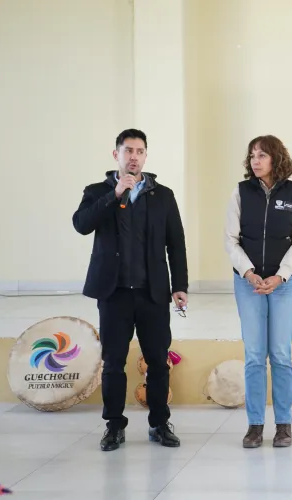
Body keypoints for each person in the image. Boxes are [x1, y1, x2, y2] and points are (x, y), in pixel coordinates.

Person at [72, 128, 188, 451]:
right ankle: (114, 426)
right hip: (114, 293)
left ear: (146, 156)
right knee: (113, 362)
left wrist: (179, 286)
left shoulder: (163, 195)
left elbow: (176, 244)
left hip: (152, 293)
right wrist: (115, 194)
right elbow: (81, 224)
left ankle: (159, 424)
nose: (134, 157)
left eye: (139, 151)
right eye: (128, 151)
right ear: (116, 155)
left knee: (158, 361)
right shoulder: (97, 191)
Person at [224, 135, 292, 449]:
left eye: (262, 155)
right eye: (252, 156)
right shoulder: (240, 192)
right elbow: (231, 240)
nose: (255, 161)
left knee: (280, 354)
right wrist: (248, 272)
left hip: (284, 284)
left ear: (276, 158)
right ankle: (255, 425)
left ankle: (284, 425)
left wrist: (280, 275)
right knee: (253, 355)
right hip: (248, 283)